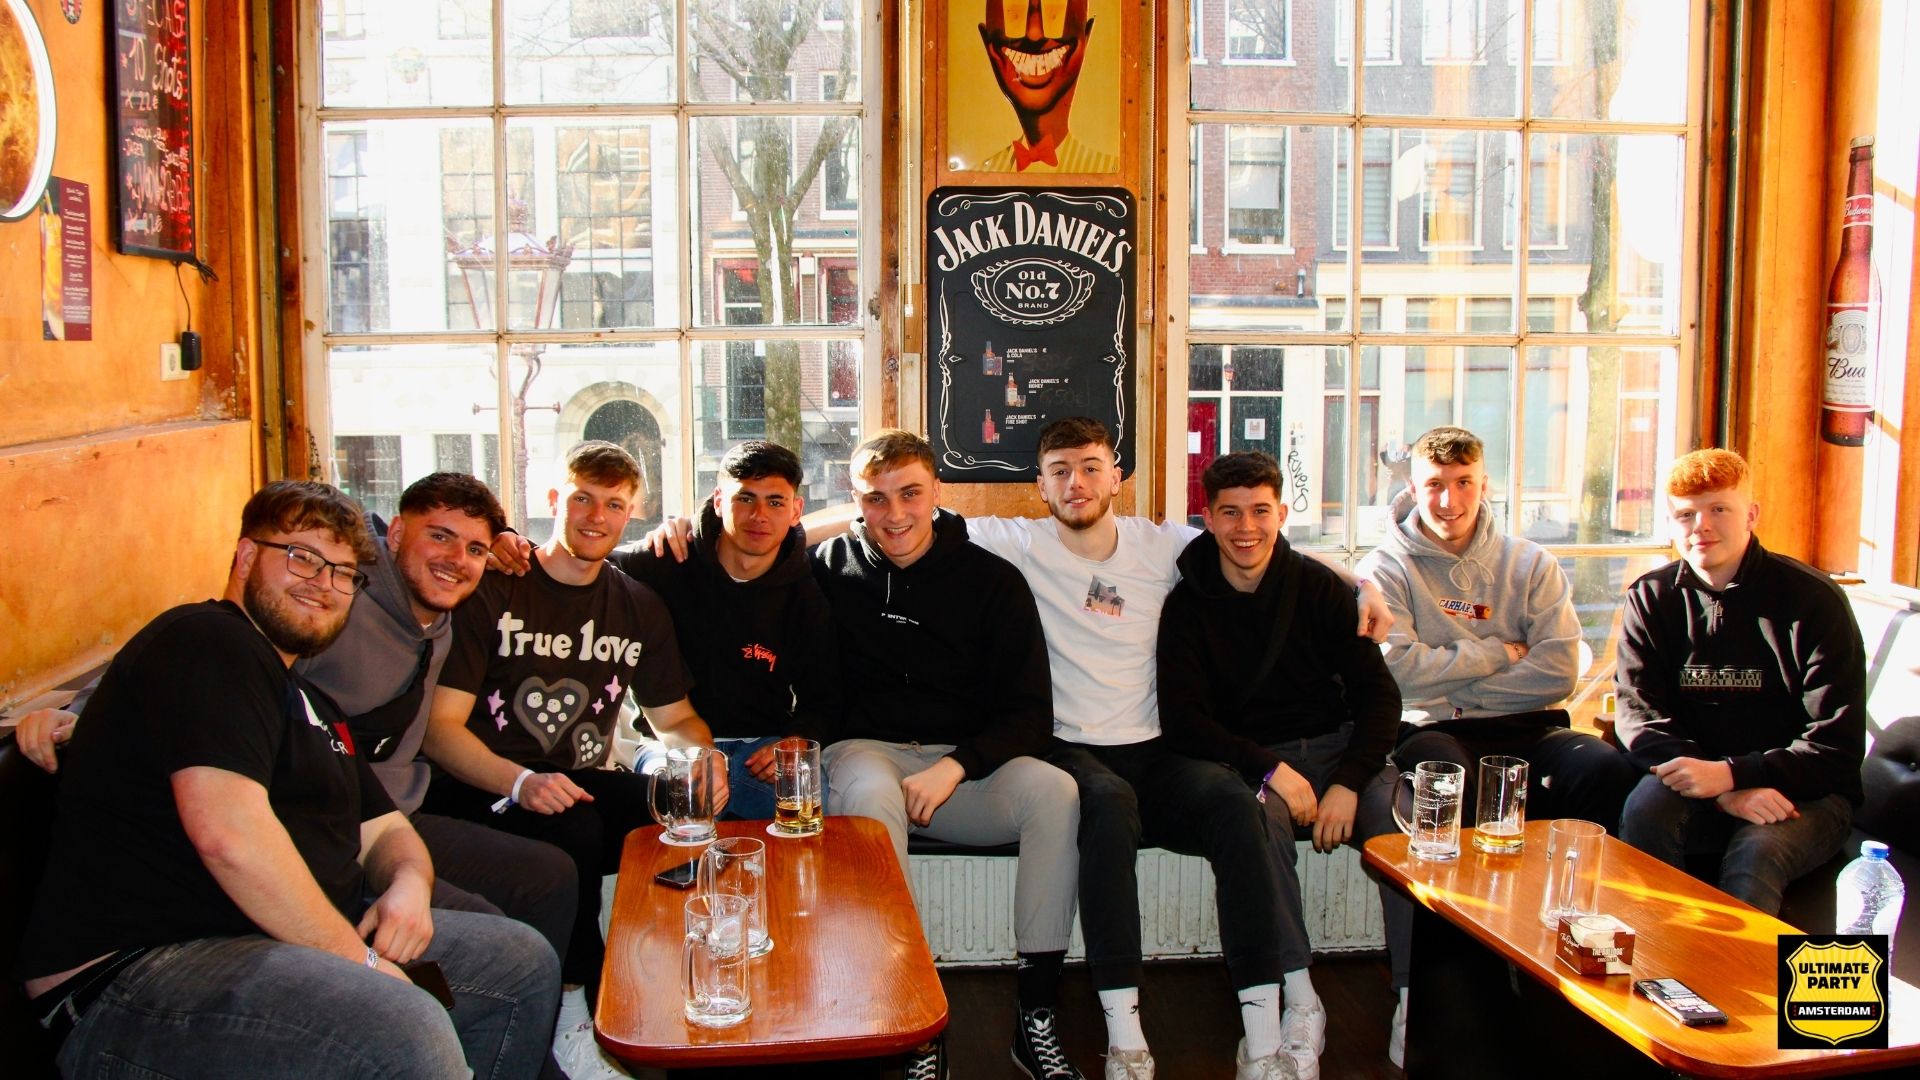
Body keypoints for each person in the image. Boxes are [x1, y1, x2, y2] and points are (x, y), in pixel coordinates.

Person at [17, 473, 596, 1077]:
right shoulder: (208, 640)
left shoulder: (314, 705)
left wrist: (407, 887)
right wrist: (364, 967)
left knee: (521, 962)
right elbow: (229, 837)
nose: (324, 586)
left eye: (343, 574)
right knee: (403, 1023)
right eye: (302, 559)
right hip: (142, 972)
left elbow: (388, 830)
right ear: (245, 557)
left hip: (269, 946)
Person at [421, 442, 722, 1044]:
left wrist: (702, 761)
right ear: (555, 499)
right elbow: (438, 729)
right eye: (582, 497)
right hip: (478, 786)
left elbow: (677, 719)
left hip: (572, 784)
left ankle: (670, 977)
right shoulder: (497, 587)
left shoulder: (636, 605)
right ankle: (574, 1006)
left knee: (676, 807)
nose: (596, 516)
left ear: (633, 512)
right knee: (576, 830)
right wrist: (519, 782)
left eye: (614, 504)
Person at [1357, 425, 1636, 1064]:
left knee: (1607, 772)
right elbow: (1394, 670)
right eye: (1435, 485)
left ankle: (1579, 963)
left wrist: (1460, 678)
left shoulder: (1530, 564)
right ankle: (1433, 994)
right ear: (1413, 486)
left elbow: (1560, 669)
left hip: (1529, 725)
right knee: (1446, 786)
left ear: (1485, 485)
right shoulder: (1387, 568)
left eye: (1464, 485)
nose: (1449, 501)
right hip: (1432, 730)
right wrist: (1496, 651)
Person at [814, 429, 1084, 1080]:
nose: (895, 513)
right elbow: (748, 556)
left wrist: (957, 764)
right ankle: (908, 1015)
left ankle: (1036, 1014)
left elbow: (1030, 715)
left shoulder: (992, 581)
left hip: (960, 769)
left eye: (910, 493)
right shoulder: (828, 566)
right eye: (875, 499)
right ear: (856, 501)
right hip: (864, 755)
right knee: (875, 793)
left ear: (937, 491)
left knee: (1056, 792)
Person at [1158, 451, 1404, 1080]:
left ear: (1281, 513)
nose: (1247, 528)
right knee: (1253, 825)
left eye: (1260, 511)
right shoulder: (1187, 605)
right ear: (1207, 518)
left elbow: (1380, 697)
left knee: (1404, 828)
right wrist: (1269, 769)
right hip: (1254, 764)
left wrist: (1350, 782)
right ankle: (1299, 997)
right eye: (1231, 513)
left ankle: (1410, 995)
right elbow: (1185, 720)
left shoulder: (1319, 588)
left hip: (1338, 749)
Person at [492, 441, 838, 821]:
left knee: (802, 790)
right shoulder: (666, 560)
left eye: (775, 502)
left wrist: (797, 738)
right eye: (745, 499)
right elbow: (579, 551)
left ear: (796, 510)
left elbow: (822, 695)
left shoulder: (806, 592)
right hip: (668, 743)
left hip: (760, 745)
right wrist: (504, 538)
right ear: (719, 501)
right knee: (682, 798)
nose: (759, 515)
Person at [1615, 448, 1866, 913]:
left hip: (1803, 793)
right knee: (1644, 810)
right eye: (1685, 514)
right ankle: (1653, 964)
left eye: (1719, 509)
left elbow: (1837, 747)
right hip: (1696, 777)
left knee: (1758, 851)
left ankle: (1740, 983)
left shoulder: (1814, 601)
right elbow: (1638, 717)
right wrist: (1724, 786)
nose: (1701, 526)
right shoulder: (1650, 598)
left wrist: (1734, 774)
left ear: (1750, 514)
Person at [976, 0, 1119, 173]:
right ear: (987, 40)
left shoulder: (1107, 170)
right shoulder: (978, 176)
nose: (1034, 33)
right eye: (1014, 13)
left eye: (1055, 12)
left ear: (1085, 35)